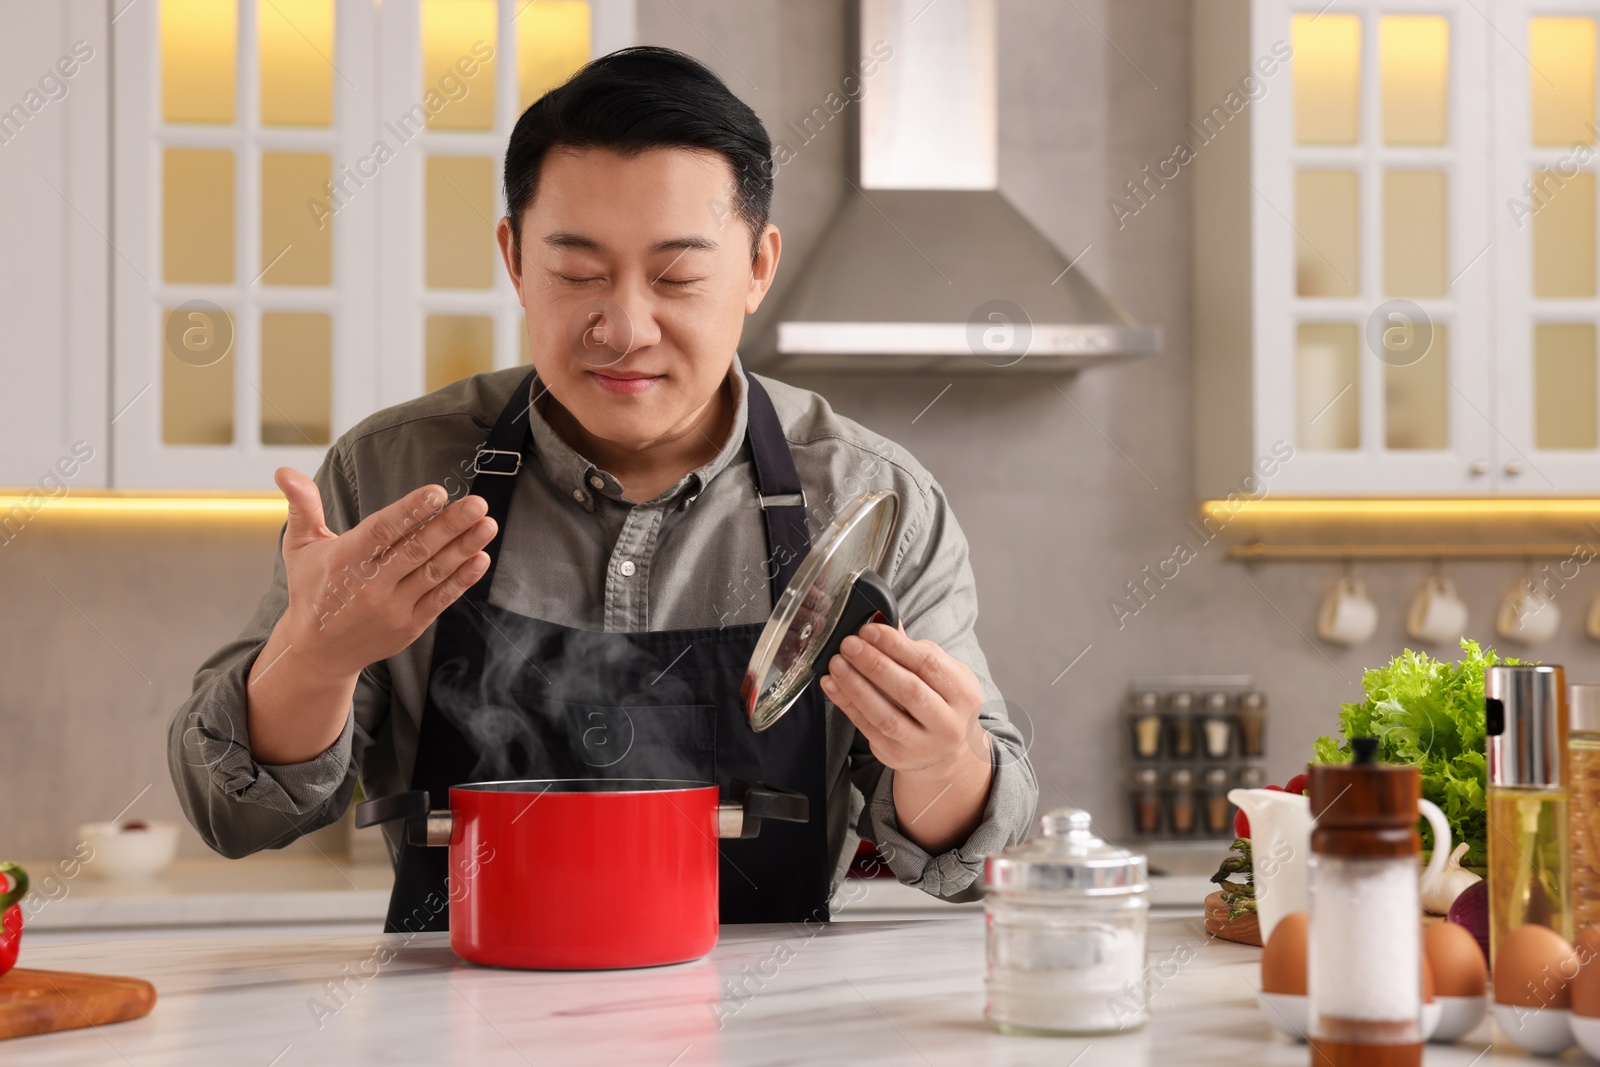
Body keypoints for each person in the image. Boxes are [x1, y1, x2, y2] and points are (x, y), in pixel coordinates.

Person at [167, 46, 1036, 930]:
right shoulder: (392, 474)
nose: (624, 327)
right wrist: (313, 659)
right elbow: (233, 813)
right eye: (578, 273)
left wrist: (938, 754)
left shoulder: (873, 503)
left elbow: (968, 865)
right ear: (513, 258)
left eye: (678, 277)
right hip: (456, 1024)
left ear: (758, 267)